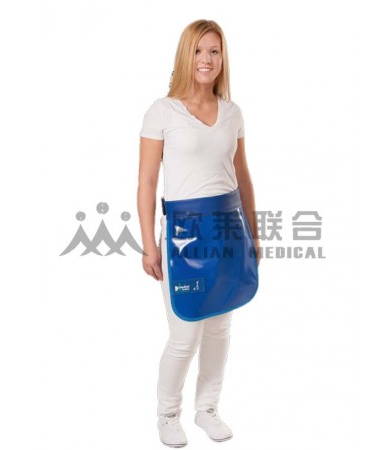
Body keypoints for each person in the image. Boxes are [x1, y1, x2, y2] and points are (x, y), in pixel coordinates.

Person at [137, 19, 260, 448]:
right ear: (185, 55)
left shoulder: (233, 113)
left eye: (214, 51)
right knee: (185, 333)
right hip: (183, 233)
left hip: (227, 229)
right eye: (198, 50)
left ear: (223, 58)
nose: (206, 59)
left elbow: (243, 176)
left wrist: (254, 235)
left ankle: (207, 409)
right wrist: (148, 245)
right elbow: (147, 182)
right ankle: (167, 414)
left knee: (220, 328)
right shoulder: (162, 112)